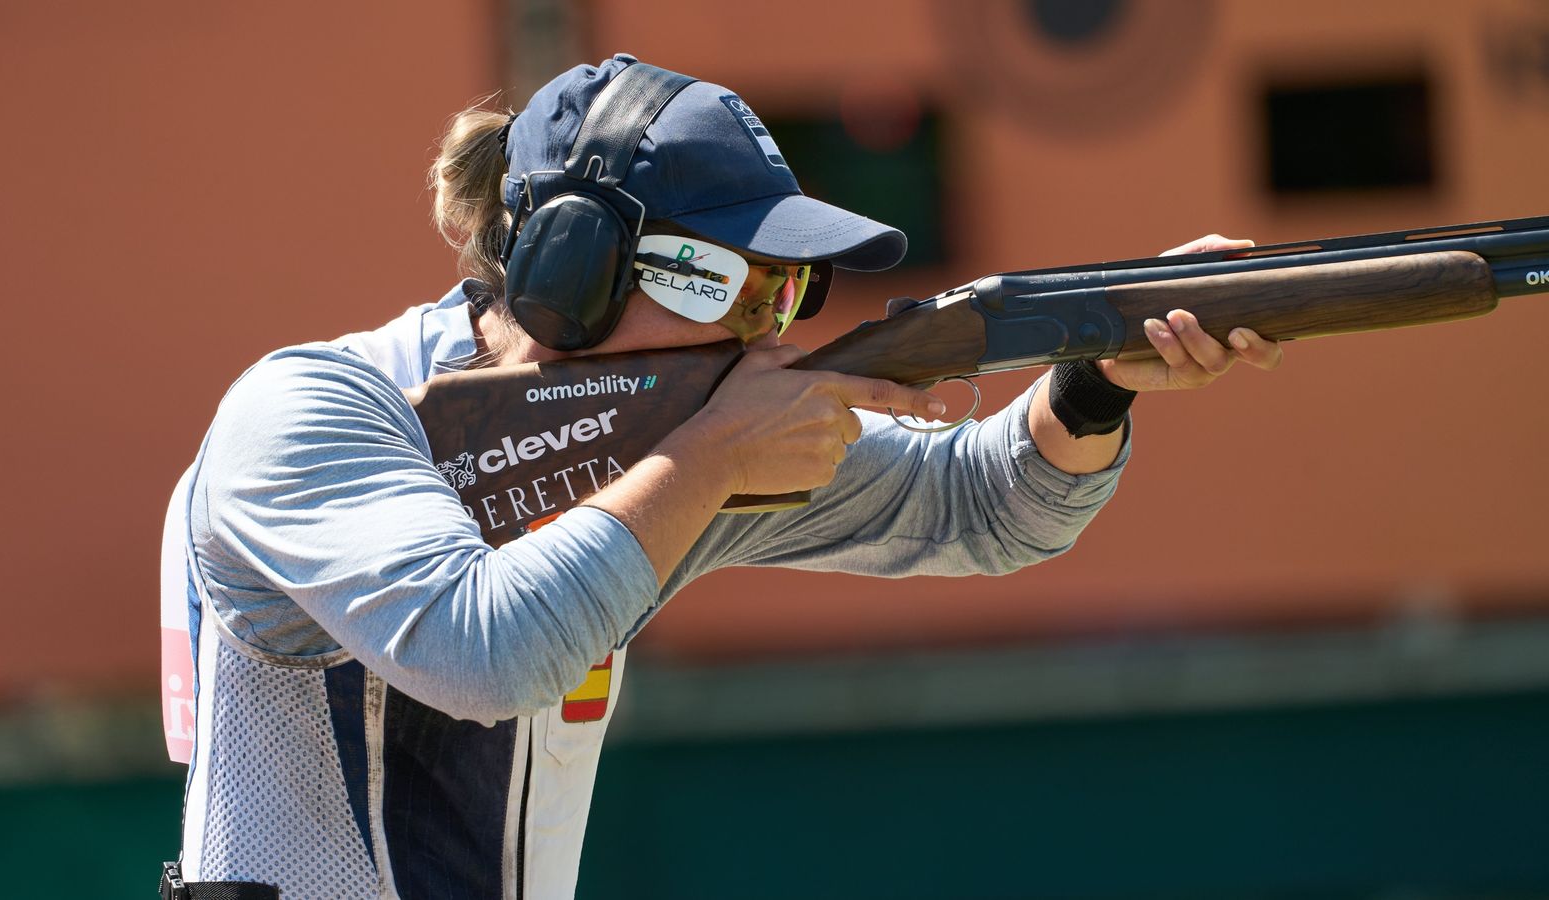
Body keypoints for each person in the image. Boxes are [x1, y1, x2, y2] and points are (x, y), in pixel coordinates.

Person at [161, 55, 1282, 900]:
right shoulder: (310, 411)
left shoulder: (668, 456)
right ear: (567, 267)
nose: (760, 332)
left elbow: (984, 509)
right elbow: (482, 650)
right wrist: (705, 465)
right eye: (717, 284)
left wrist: (1091, 385)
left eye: (783, 292)